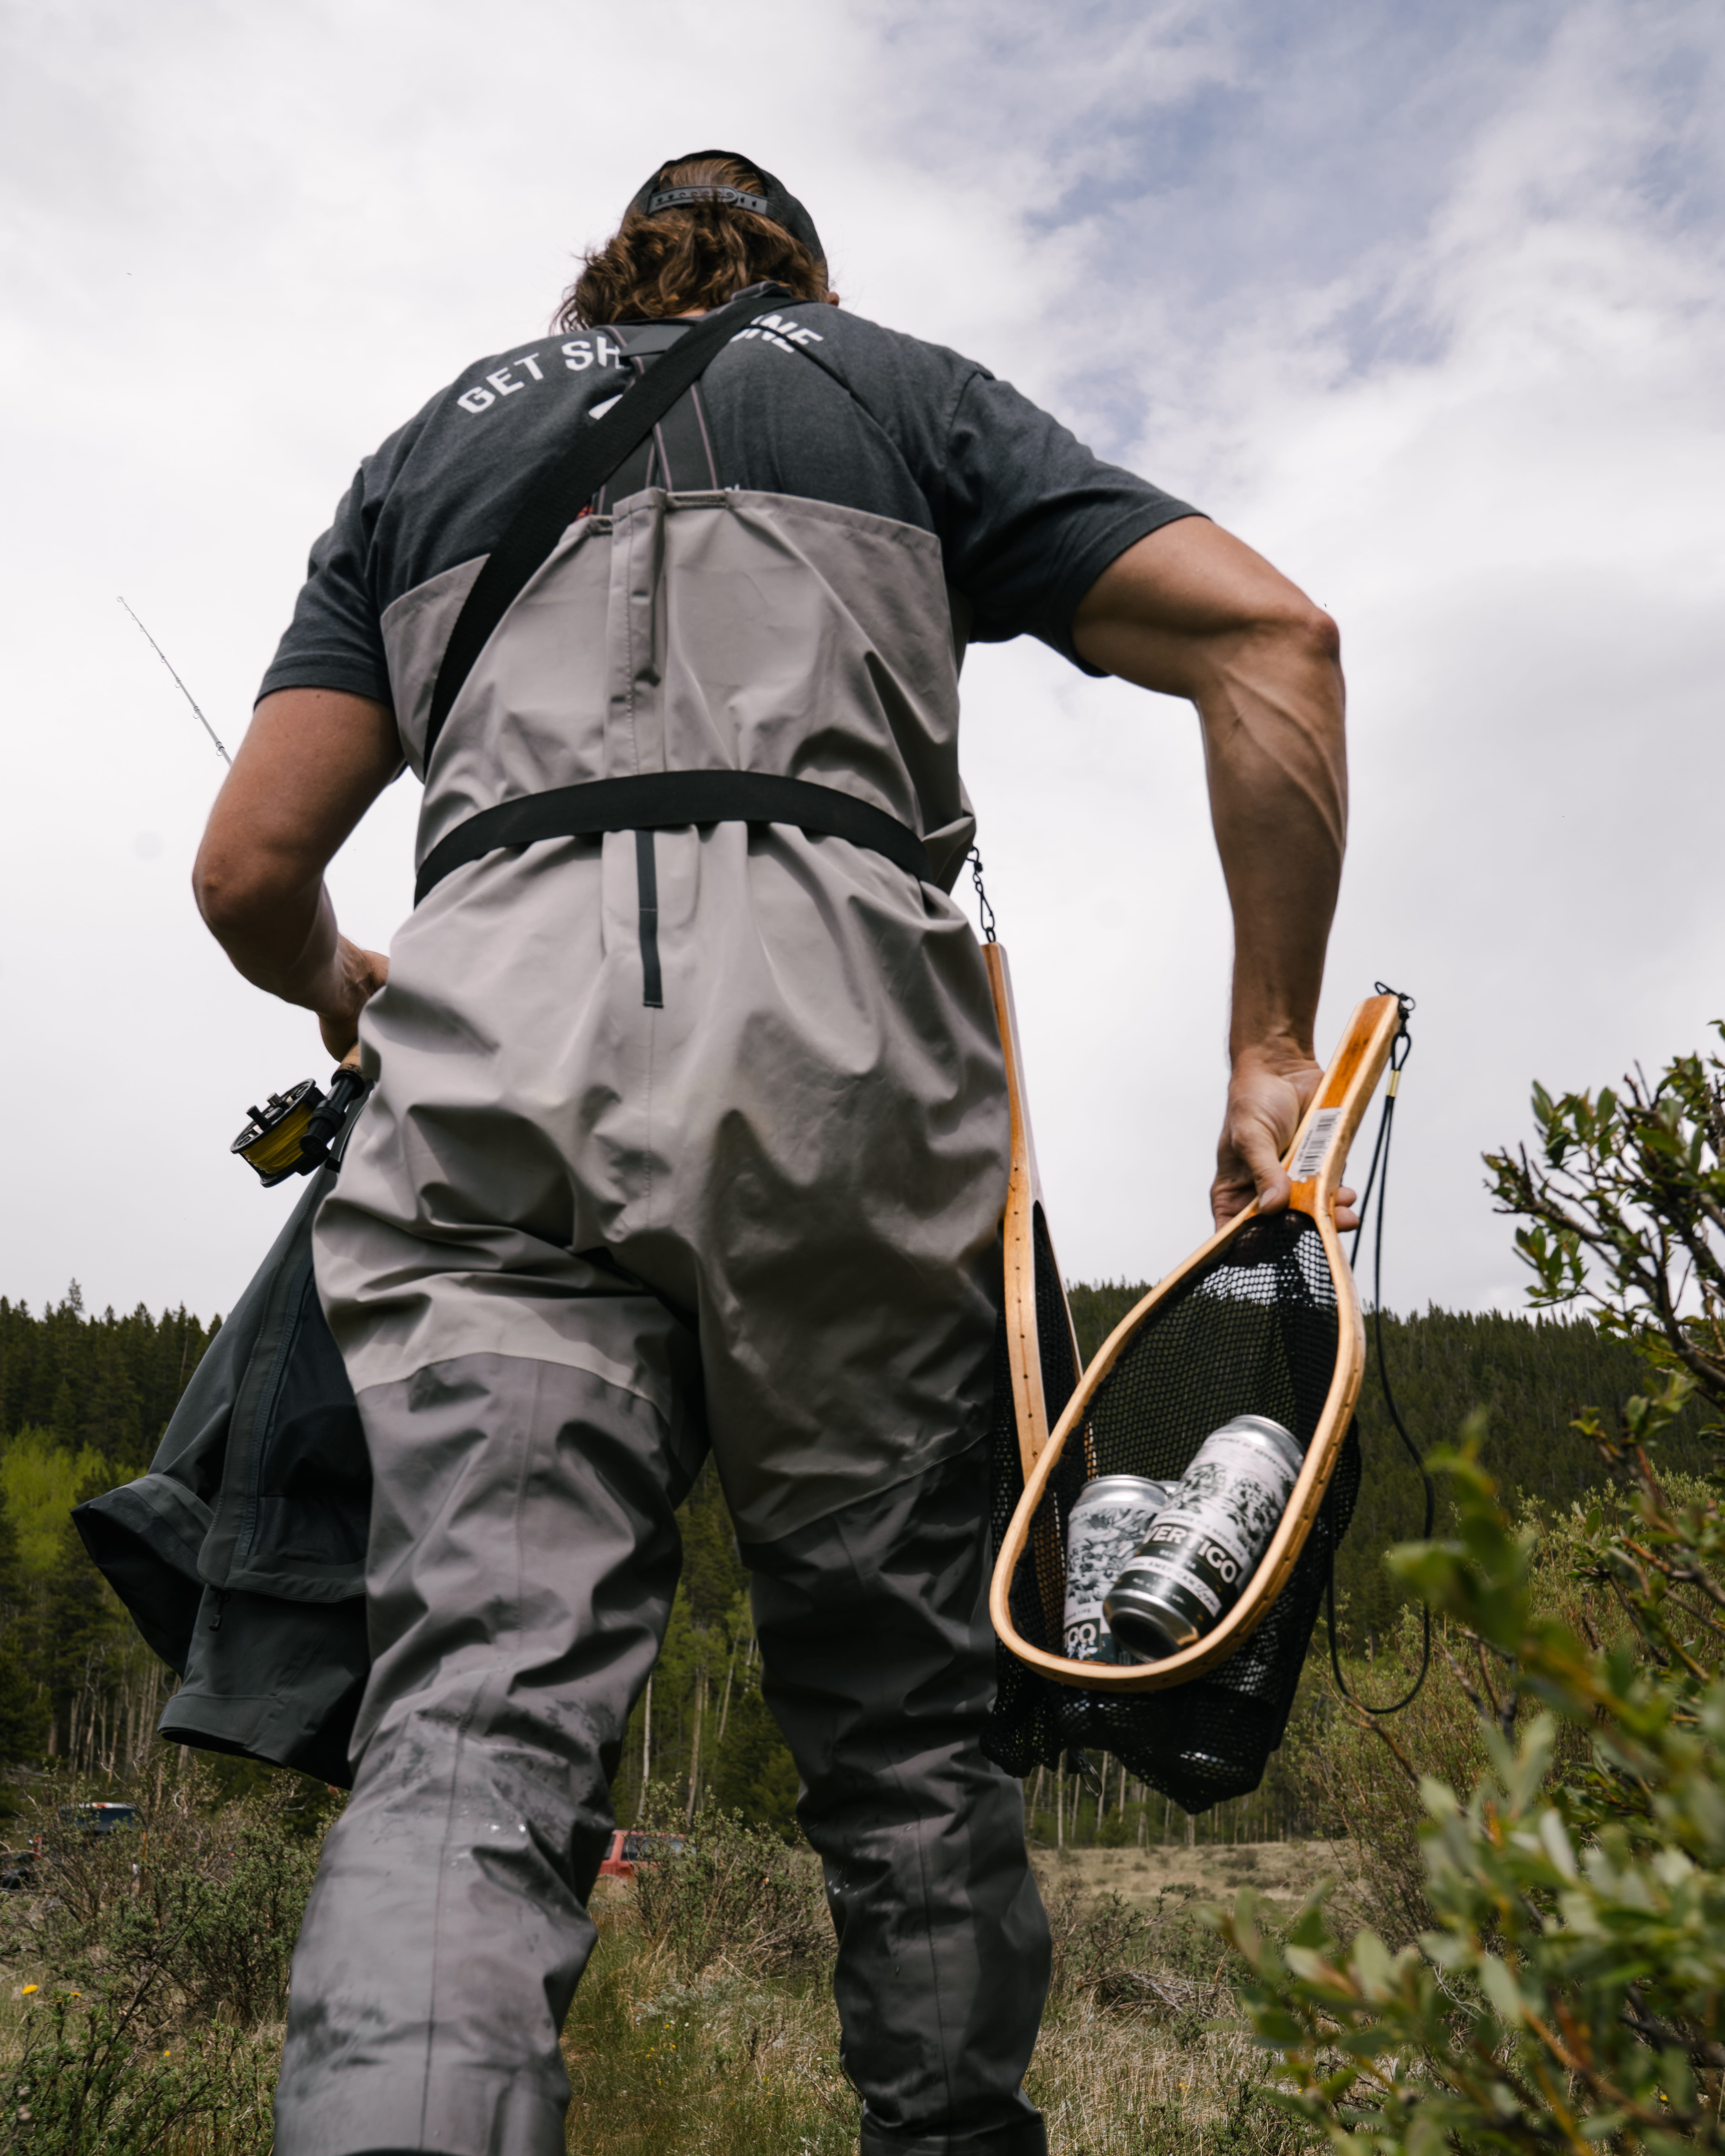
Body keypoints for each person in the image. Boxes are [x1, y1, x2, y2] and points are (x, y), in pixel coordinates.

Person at [192, 152, 1348, 2156]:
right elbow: (1275, 642)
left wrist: (343, 985)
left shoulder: (424, 453)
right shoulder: (893, 391)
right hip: (846, 1113)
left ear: (598, 287)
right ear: (794, 275)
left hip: (489, 1114)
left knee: (472, 1728)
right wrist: (1261, 1052)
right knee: (903, 1747)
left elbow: (245, 869)